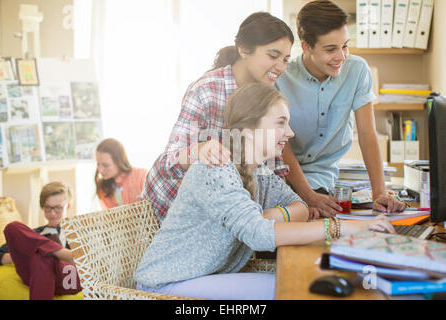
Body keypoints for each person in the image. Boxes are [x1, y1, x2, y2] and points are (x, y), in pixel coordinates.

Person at [134, 83, 395, 300]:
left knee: (302, 281)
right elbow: (259, 236)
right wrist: (340, 227)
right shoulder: (216, 169)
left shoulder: (259, 172)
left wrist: (266, 216)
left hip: (206, 277)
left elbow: (300, 207)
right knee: (294, 290)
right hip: (165, 285)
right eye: (281, 123)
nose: (290, 133)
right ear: (248, 129)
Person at [140, 12, 294, 223]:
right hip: (173, 206)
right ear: (244, 49)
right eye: (273, 56)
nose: (281, 67)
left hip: (219, 209)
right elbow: (171, 159)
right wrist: (200, 150)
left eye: (285, 59)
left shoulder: (269, 95)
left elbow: (271, 165)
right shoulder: (206, 90)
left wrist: (292, 205)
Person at [275, 0, 405, 219]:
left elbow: (367, 133)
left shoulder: (357, 70)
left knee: (322, 221)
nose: (341, 56)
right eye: (330, 49)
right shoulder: (282, 75)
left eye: (345, 45)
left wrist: (379, 192)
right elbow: (280, 142)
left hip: (320, 177)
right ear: (306, 46)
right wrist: (306, 195)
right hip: (280, 173)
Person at [0, 182, 82, 300]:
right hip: (36, 274)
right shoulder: (33, 234)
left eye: (58, 207)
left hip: (67, 277)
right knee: (12, 227)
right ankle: (61, 252)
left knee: (44, 257)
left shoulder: (77, 233)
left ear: (67, 206)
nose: (52, 213)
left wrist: (42, 252)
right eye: (48, 208)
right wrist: (28, 252)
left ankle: (52, 253)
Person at [95, 138, 148, 209]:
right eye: (98, 164)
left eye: (106, 165)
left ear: (119, 162)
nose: (100, 170)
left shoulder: (141, 175)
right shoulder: (103, 188)